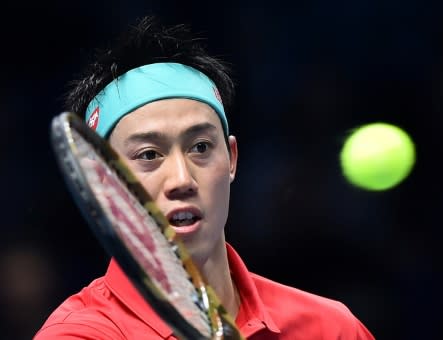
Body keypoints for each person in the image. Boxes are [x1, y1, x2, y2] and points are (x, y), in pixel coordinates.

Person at [34, 15, 375, 340]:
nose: (182, 179)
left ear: (232, 159)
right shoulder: (78, 333)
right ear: (103, 183)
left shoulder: (331, 328)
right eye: (149, 155)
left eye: (200, 147)